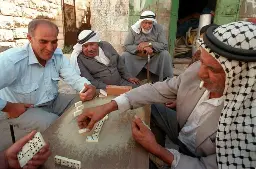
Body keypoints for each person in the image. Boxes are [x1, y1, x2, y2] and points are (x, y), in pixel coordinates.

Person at [76, 21, 256, 168]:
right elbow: (157, 89)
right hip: (182, 128)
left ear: (242, 75)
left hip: (195, 158)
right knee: (149, 106)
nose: (200, 74)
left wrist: (158, 151)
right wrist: (108, 106)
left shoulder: (248, 124)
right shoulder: (197, 72)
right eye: (202, 63)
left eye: (213, 69)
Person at [0, 19, 96, 133]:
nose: (50, 48)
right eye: (43, 41)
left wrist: (87, 87)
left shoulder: (57, 55)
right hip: (25, 109)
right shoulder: (12, 60)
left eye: (54, 42)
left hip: (53, 101)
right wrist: (8, 107)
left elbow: (73, 78)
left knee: (87, 105)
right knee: (56, 125)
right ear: (30, 38)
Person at [70, 30, 139, 89]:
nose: (89, 49)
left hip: (121, 82)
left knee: (139, 90)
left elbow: (119, 62)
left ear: (97, 43)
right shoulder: (80, 59)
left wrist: (128, 77)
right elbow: (89, 80)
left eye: (92, 44)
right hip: (102, 89)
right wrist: (108, 88)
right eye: (85, 46)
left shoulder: (106, 46)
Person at [121, 10, 173, 81]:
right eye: (145, 23)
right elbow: (127, 45)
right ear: (141, 22)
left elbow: (164, 45)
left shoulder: (158, 28)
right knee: (124, 55)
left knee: (165, 54)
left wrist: (149, 44)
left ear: (153, 23)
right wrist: (141, 48)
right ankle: (127, 79)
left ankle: (165, 80)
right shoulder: (134, 29)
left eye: (150, 23)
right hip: (137, 56)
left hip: (153, 56)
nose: (147, 25)